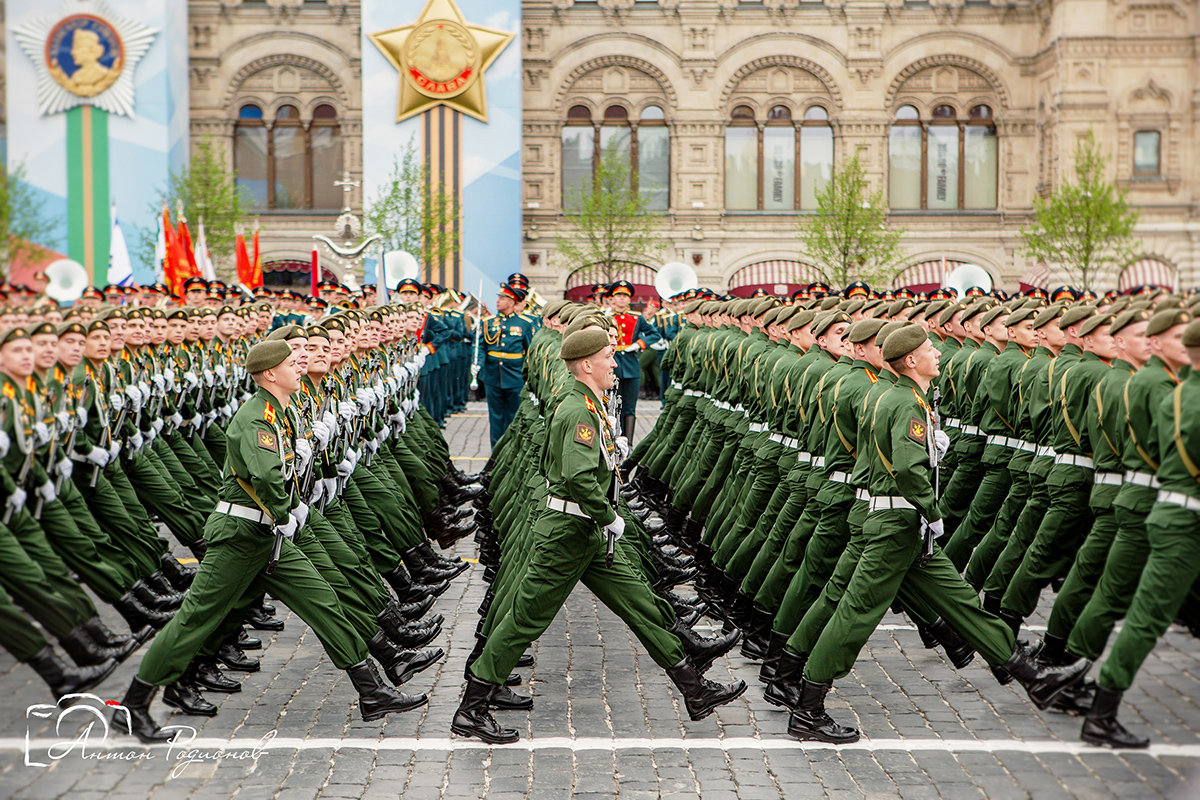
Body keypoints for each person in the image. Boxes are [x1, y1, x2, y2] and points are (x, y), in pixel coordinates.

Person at [112, 340, 427, 743]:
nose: (299, 366)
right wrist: (287, 511)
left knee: (323, 600)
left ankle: (372, 691)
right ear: (268, 374)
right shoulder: (256, 418)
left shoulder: (282, 413)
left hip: (268, 536)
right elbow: (266, 477)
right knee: (195, 619)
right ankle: (133, 705)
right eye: (290, 363)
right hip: (239, 536)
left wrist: (288, 508)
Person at [451, 327, 745, 744]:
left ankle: (694, 690)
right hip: (568, 531)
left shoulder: (589, 402)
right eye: (608, 356)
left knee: (640, 603)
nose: (615, 363)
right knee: (524, 620)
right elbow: (574, 474)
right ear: (586, 363)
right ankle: (471, 708)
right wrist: (608, 514)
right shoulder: (577, 409)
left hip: (587, 530)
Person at [477, 283, 535, 446]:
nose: (498, 301)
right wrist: (479, 363)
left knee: (513, 417)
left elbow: (529, 352)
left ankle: (510, 453)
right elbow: (481, 346)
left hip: (515, 376)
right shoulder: (488, 322)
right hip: (493, 375)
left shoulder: (524, 323)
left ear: (512, 301)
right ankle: (495, 454)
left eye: (503, 298)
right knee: (495, 418)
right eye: (498, 298)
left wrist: (528, 376)